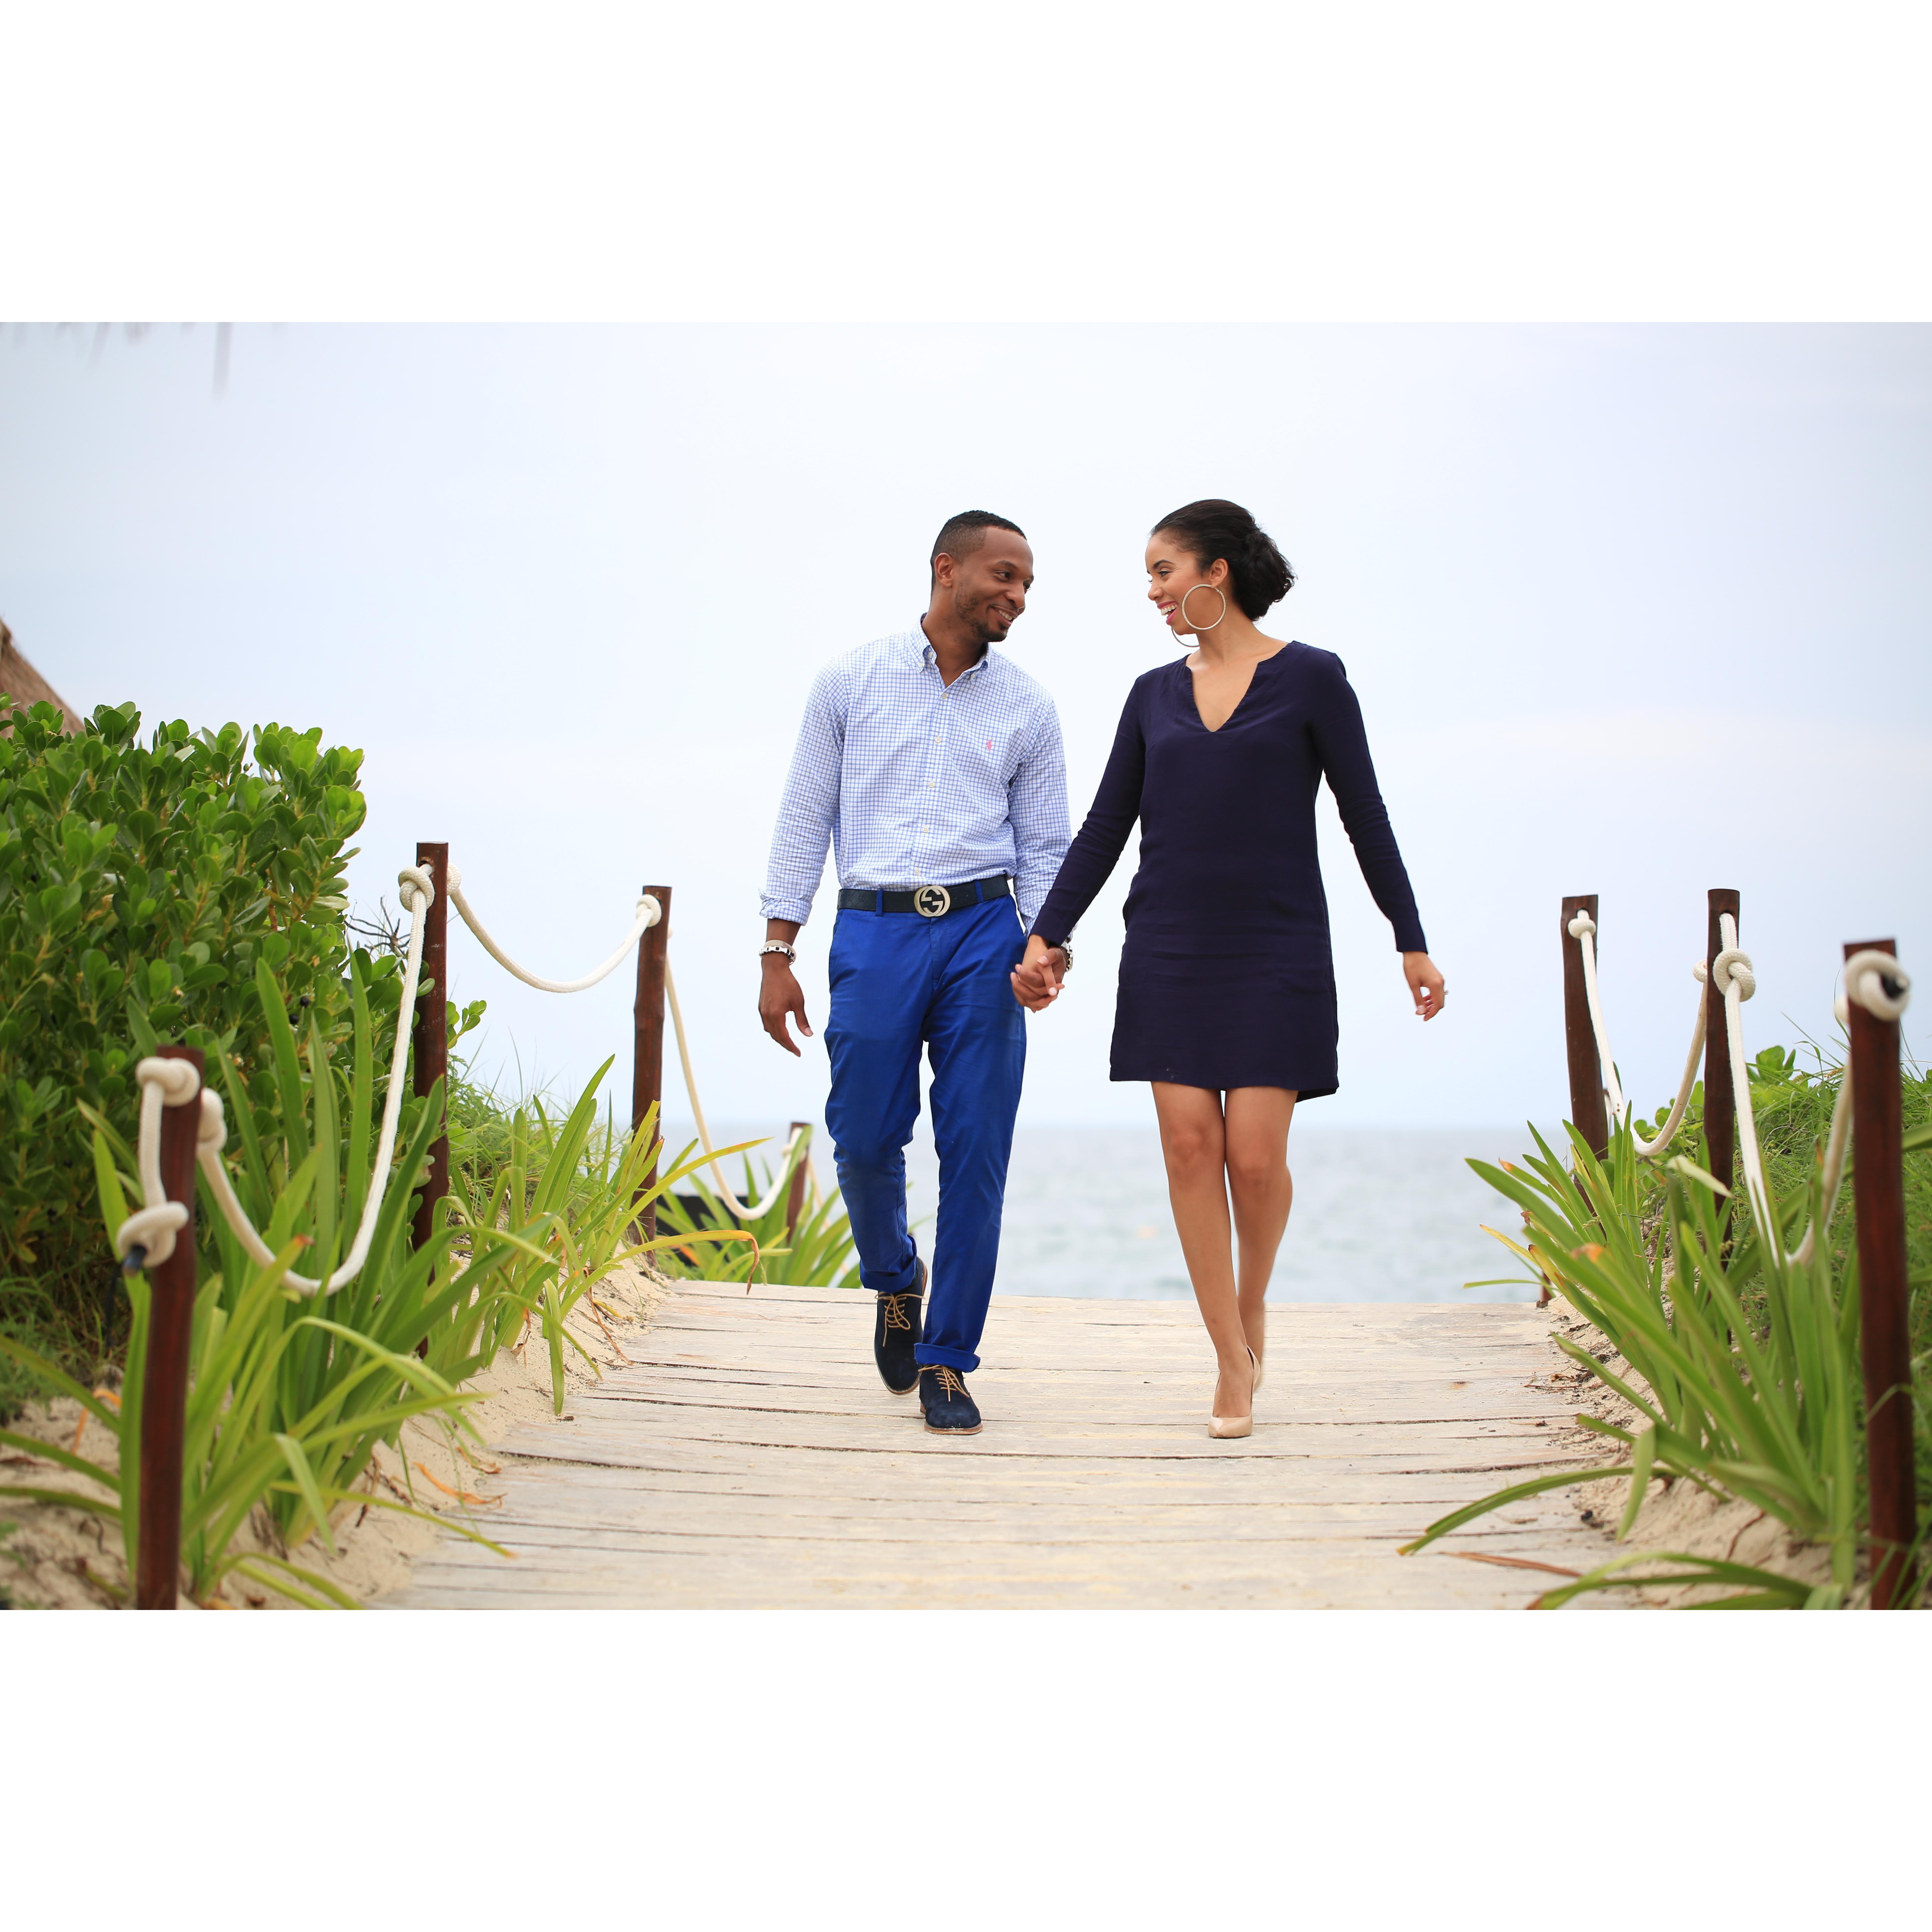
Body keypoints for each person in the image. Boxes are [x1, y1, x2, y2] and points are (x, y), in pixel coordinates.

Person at [1012, 499, 1444, 1440]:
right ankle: (1228, 1359)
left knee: (1255, 1159)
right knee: (1187, 1148)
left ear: (1217, 573)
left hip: (1277, 946)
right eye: (1151, 579)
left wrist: (1408, 935)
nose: (1155, 594)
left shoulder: (1314, 678)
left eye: (1165, 573)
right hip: (1168, 945)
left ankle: (1253, 1308)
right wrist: (1047, 932)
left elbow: (1364, 815)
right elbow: (1103, 829)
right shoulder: (1148, 696)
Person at [758, 512, 1070, 1436]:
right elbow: (803, 815)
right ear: (947, 569)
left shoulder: (1030, 708)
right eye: (1004, 576)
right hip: (876, 928)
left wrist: (1046, 943)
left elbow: (1048, 843)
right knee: (861, 1134)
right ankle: (898, 1279)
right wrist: (778, 952)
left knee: (975, 1150)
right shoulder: (850, 682)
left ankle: (947, 1360)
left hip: (985, 929)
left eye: (1026, 585)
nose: (1016, 596)